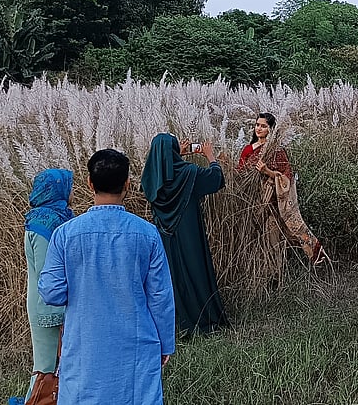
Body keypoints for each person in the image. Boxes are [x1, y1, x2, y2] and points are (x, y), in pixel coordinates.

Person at [38, 149, 176, 404]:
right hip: (137, 344)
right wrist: (165, 343)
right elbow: (160, 297)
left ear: (90, 183)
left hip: (84, 345)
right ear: (128, 184)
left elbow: (51, 292)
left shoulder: (65, 234)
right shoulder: (147, 233)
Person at [141, 132, 228, 335]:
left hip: (164, 235)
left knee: (169, 275)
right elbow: (217, 179)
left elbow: (161, 174)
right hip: (189, 232)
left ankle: (175, 322)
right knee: (195, 269)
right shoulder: (189, 172)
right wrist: (210, 156)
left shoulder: (151, 177)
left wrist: (175, 155)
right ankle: (203, 317)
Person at [237, 112, 325, 265]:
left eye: (263, 126)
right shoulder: (248, 150)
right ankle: (258, 273)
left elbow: (286, 178)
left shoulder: (277, 151)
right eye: (257, 125)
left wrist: (267, 171)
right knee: (256, 238)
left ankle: (276, 274)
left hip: (273, 204)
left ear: (271, 129)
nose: (259, 128)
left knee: (273, 239)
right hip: (253, 202)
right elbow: (240, 173)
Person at [22, 168, 74, 402]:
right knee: (46, 369)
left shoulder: (52, 218)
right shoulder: (45, 224)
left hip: (49, 301)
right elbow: (48, 274)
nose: (71, 191)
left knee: (57, 369)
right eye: (67, 186)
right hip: (49, 304)